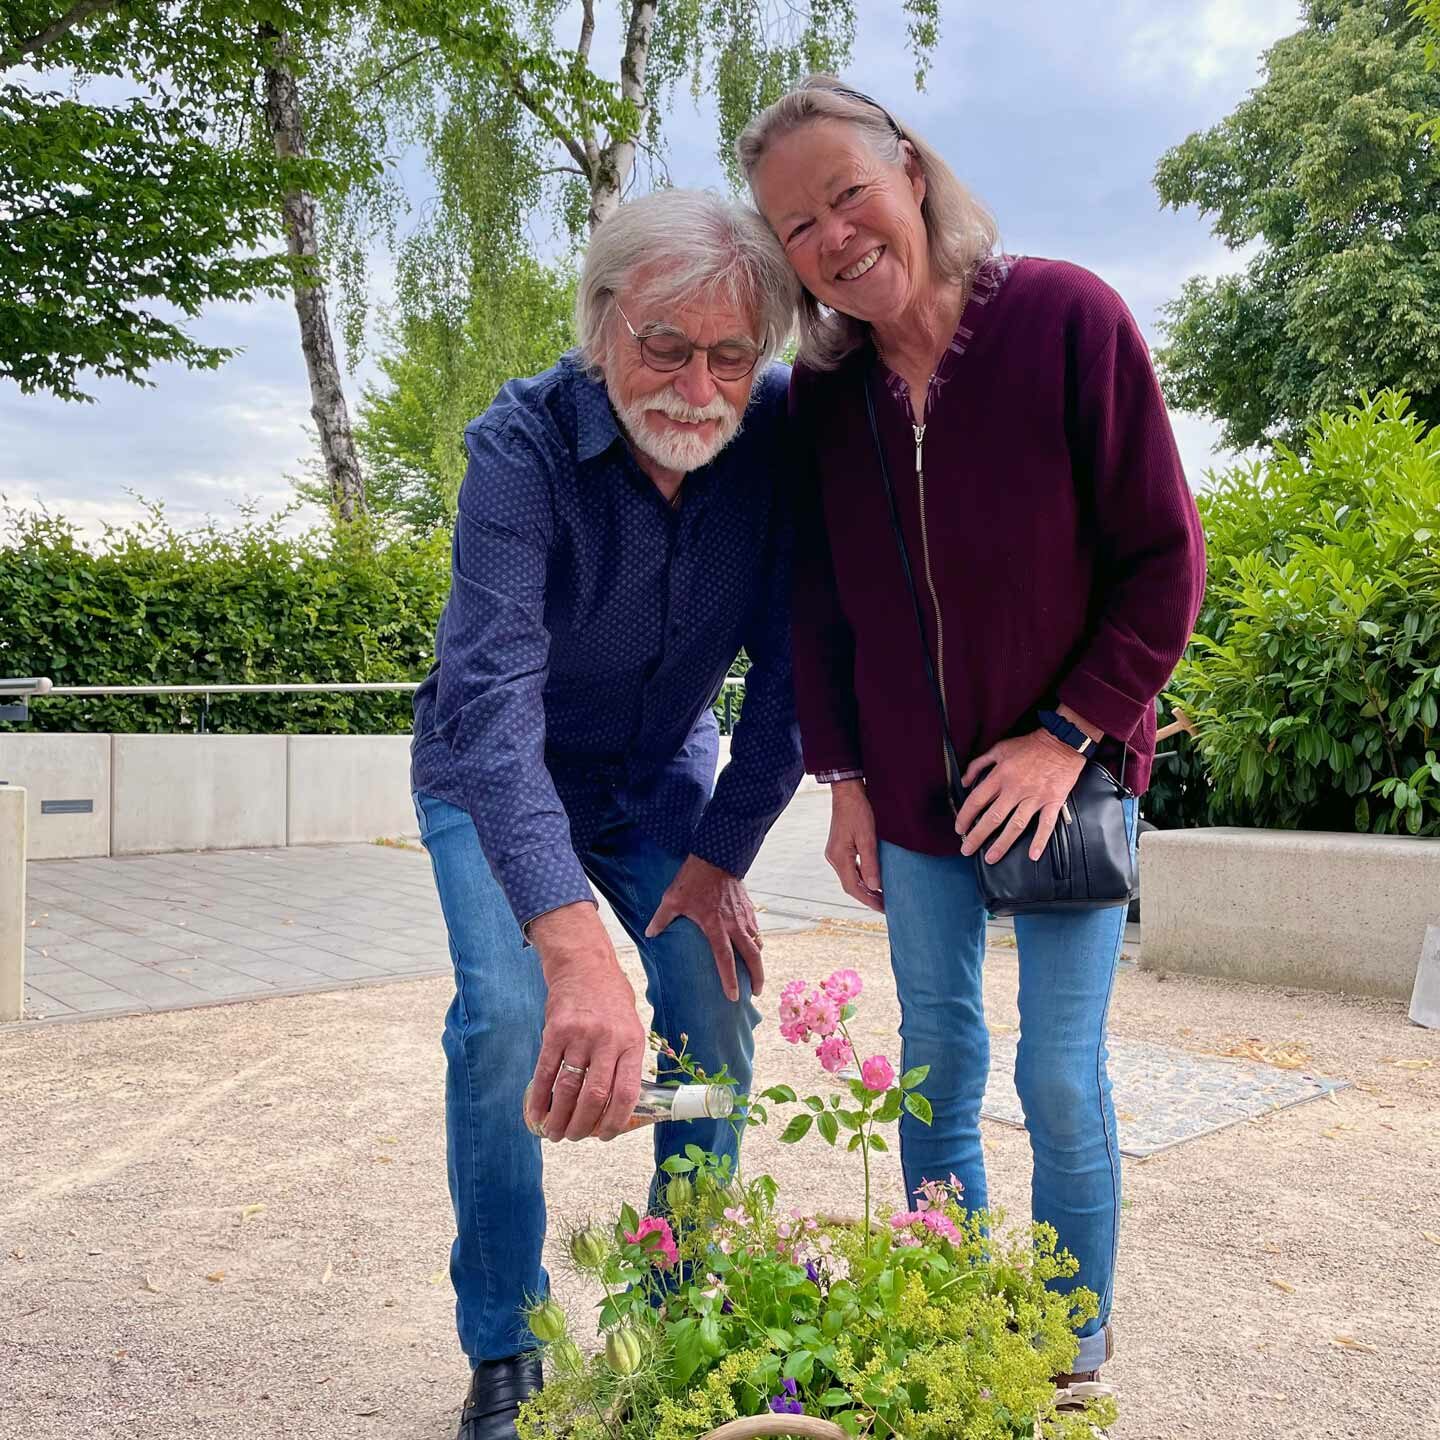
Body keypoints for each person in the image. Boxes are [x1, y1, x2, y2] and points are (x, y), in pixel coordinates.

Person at [738, 77, 1206, 1413]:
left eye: (846, 193)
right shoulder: (824, 399)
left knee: (1061, 1074)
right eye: (798, 226)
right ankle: (951, 1315)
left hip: (1063, 785)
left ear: (912, 172)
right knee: (937, 1065)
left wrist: (1066, 735)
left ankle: (1069, 1343)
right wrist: (838, 778)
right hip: (908, 797)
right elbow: (818, 600)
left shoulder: (1067, 320)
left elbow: (1166, 567)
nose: (833, 235)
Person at [409, 188, 804, 1440]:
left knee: (714, 1002)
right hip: (494, 770)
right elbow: (487, 691)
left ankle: (674, 1311)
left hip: (658, 775)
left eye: (730, 354)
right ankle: (508, 1346)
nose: (696, 384)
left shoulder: (783, 442)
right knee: (512, 1011)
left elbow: (797, 683)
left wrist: (720, 856)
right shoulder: (518, 444)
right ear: (601, 325)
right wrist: (572, 940)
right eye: (664, 345)